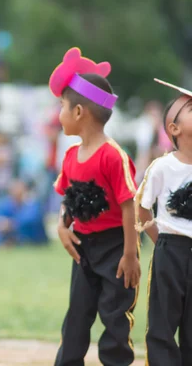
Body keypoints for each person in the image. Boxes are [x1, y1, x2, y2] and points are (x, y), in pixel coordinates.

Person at [49, 48, 140, 366]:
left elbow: (129, 206)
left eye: (61, 106)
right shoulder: (71, 156)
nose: (58, 114)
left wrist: (130, 254)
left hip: (116, 247)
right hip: (84, 249)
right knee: (76, 318)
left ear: (77, 113)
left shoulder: (112, 155)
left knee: (115, 319)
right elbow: (69, 199)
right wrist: (63, 226)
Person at [136, 80, 192, 365]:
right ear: (174, 129)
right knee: (162, 321)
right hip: (170, 250)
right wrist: (162, 241)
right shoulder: (162, 166)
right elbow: (143, 209)